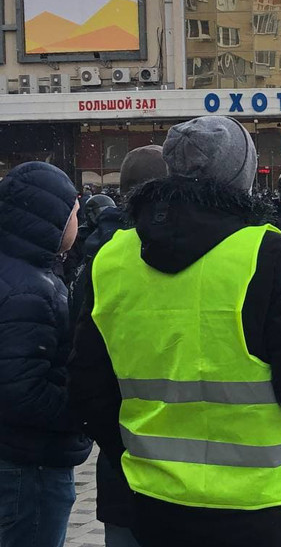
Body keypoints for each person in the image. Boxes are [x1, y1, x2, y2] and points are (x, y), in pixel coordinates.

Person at [69, 116, 281, 547]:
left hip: (153, 500)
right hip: (258, 507)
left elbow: (88, 388)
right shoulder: (268, 253)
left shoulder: (113, 258)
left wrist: (143, 451)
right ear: (243, 176)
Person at [70, 145, 169, 547]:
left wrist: (111, 441)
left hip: (121, 453)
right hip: (190, 470)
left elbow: (82, 366)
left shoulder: (97, 253)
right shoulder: (181, 245)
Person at [0, 162, 92, 547]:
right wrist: (84, 410)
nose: (78, 220)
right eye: (74, 211)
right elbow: (21, 391)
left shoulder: (21, 272)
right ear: (50, 216)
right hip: (30, 463)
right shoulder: (29, 289)